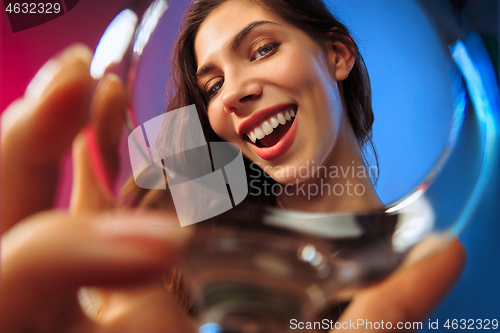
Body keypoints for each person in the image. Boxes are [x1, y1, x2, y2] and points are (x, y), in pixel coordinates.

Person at [0, 0, 465, 332]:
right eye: (213, 85)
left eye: (263, 49)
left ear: (338, 56)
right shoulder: (182, 269)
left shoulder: (442, 270)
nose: (235, 93)